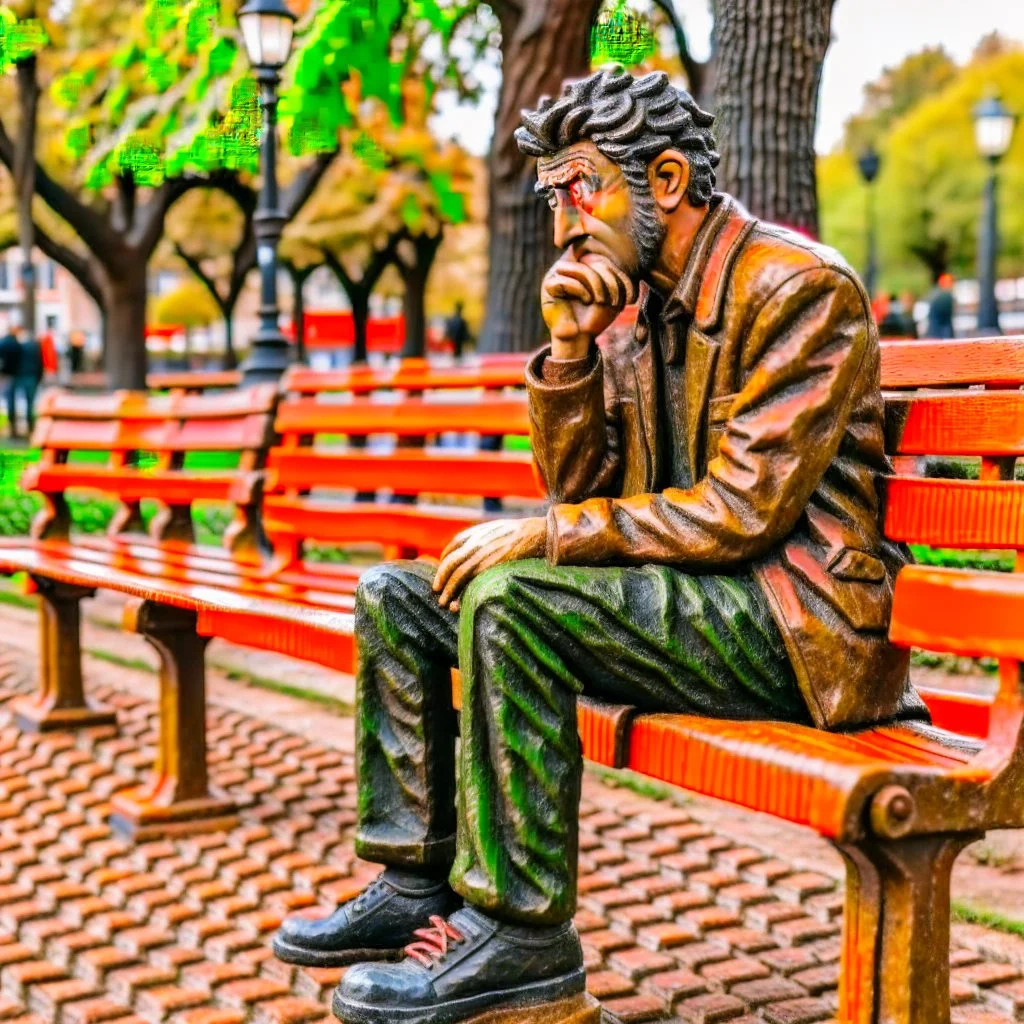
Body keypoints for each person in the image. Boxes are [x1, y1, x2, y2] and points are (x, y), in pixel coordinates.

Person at [276, 67, 926, 1024]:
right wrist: (574, 351)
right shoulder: (638, 303)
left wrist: (545, 535)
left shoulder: (797, 289)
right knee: (396, 597)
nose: (564, 226)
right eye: (551, 200)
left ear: (665, 180)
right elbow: (580, 494)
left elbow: (744, 511)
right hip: (696, 602)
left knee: (513, 602)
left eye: (581, 191)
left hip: (799, 628)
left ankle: (521, 933)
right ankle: (416, 882)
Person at [14, 330, 44, 436]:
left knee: (19, 400)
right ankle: (30, 424)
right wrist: (40, 376)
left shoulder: (20, 347)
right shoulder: (35, 347)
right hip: (32, 376)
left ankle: (19, 425)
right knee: (30, 402)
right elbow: (39, 362)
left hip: (22, 375)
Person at [0, 324, 22, 440]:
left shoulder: (2, 342)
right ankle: (12, 427)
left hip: (4, 374)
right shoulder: (16, 344)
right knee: (10, 401)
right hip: (12, 375)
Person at [927, 273, 956, 339]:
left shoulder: (936, 294)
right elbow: (946, 320)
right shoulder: (946, 296)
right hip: (940, 334)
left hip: (934, 332)